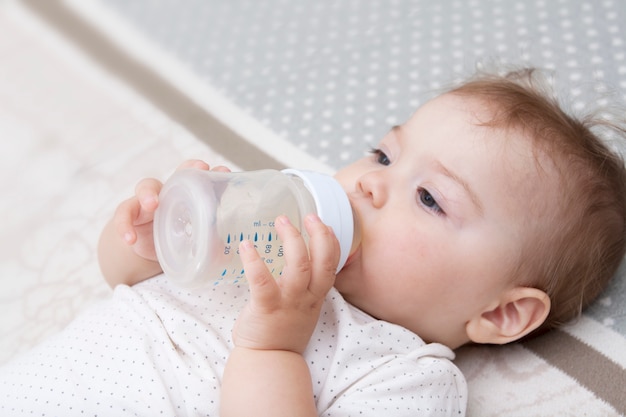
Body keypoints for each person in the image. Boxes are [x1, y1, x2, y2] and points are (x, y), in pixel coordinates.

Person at [1, 67, 625, 416]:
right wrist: (145, 238)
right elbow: (126, 285)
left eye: (430, 198)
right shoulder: (266, 240)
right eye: (384, 153)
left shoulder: (404, 377)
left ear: (499, 311)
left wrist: (274, 347)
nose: (372, 184)